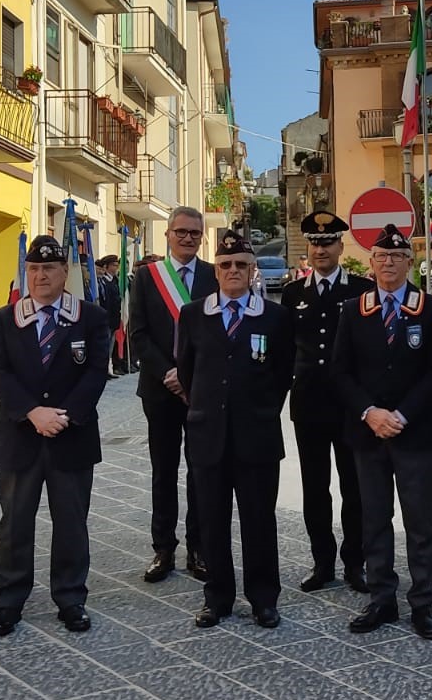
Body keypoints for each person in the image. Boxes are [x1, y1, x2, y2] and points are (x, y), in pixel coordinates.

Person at [329, 224, 432, 640]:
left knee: (420, 522)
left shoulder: (429, 309)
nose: (388, 263)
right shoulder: (353, 309)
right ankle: (381, 597)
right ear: (371, 262)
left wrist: (400, 414)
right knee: (374, 520)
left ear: (409, 262)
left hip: (412, 431)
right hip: (367, 434)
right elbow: (340, 371)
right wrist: (369, 413)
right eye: (381, 256)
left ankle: (422, 602)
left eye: (397, 257)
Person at [0, 235, 110, 638]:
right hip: (21, 436)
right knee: (15, 523)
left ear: (64, 273)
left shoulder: (89, 316)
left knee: (71, 523)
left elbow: (94, 371)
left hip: (71, 435)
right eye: (34, 269)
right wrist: (32, 413)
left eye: (50, 268)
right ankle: (9, 601)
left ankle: (71, 599)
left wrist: (67, 415)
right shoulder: (6, 318)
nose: (41, 276)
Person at [177, 230, 295, 629]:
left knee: (259, 521)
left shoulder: (275, 317)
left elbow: (282, 375)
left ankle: (264, 598)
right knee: (211, 520)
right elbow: (188, 372)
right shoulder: (194, 315)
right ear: (217, 269)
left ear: (252, 270)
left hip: (257, 437)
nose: (232, 271)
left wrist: (258, 411)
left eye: (240, 265)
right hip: (208, 435)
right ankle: (217, 597)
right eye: (225, 265)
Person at [280, 211, 371, 594]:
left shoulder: (360, 289)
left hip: (349, 407)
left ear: (340, 246)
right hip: (309, 404)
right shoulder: (292, 293)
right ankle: (322, 562)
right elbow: (285, 349)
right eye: (315, 243)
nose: (320, 249)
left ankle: (355, 563)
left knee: (354, 487)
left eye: (328, 241)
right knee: (315, 487)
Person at [126, 207, 217, 584]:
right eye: (181, 232)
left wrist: (191, 376)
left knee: (201, 470)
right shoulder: (146, 278)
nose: (188, 238)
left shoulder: (214, 275)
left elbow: (217, 334)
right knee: (163, 470)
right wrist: (169, 372)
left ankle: (198, 548)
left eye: (195, 233)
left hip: (200, 390)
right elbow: (139, 333)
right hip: (160, 388)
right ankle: (163, 549)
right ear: (167, 234)